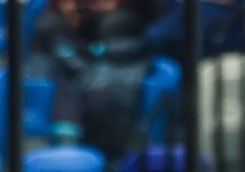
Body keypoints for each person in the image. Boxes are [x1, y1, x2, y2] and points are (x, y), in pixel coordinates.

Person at [30, 0, 163, 158]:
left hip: (112, 112)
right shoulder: (51, 28)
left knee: (99, 94)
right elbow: (37, 71)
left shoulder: (121, 24)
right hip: (72, 99)